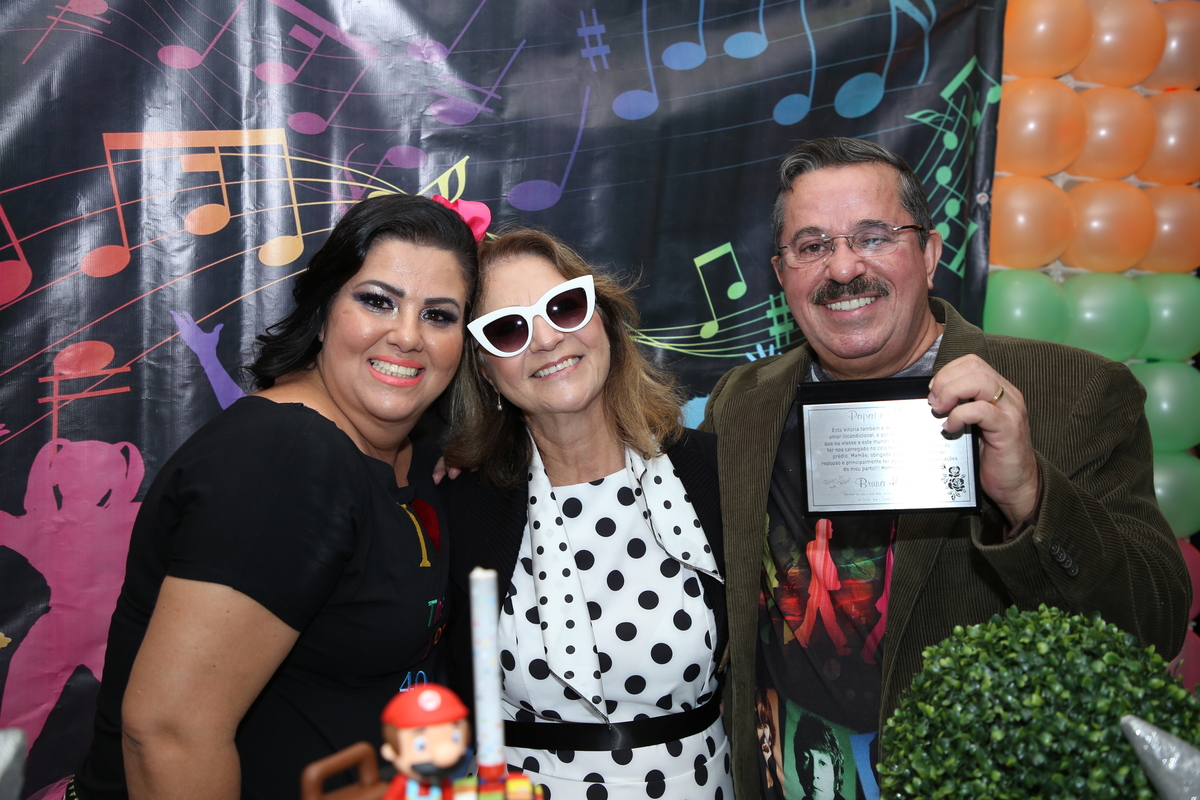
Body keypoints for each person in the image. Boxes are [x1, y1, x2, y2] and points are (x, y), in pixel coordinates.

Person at [699, 137, 1192, 799]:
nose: (843, 268)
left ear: (930, 255)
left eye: (874, 237)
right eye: (812, 246)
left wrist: (1030, 496)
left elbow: (1154, 624)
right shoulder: (743, 403)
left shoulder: (1074, 393)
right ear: (782, 273)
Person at [71, 193, 485, 800]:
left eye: (439, 316)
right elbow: (169, 734)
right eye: (377, 301)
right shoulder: (287, 455)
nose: (407, 336)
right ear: (324, 310)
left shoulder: (412, 446)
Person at [438, 229, 732, 799]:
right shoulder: (463, 507)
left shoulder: (714, 473)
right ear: (485, 370)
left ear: (605, 322)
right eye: (508, 329)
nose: (547, 339)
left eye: (565, 306)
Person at [380, 684, 471, 800]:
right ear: (391, 751)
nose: (444, 755)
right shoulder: (404, 783)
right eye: (420, 746)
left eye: (455, 738)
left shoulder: (443, 782)